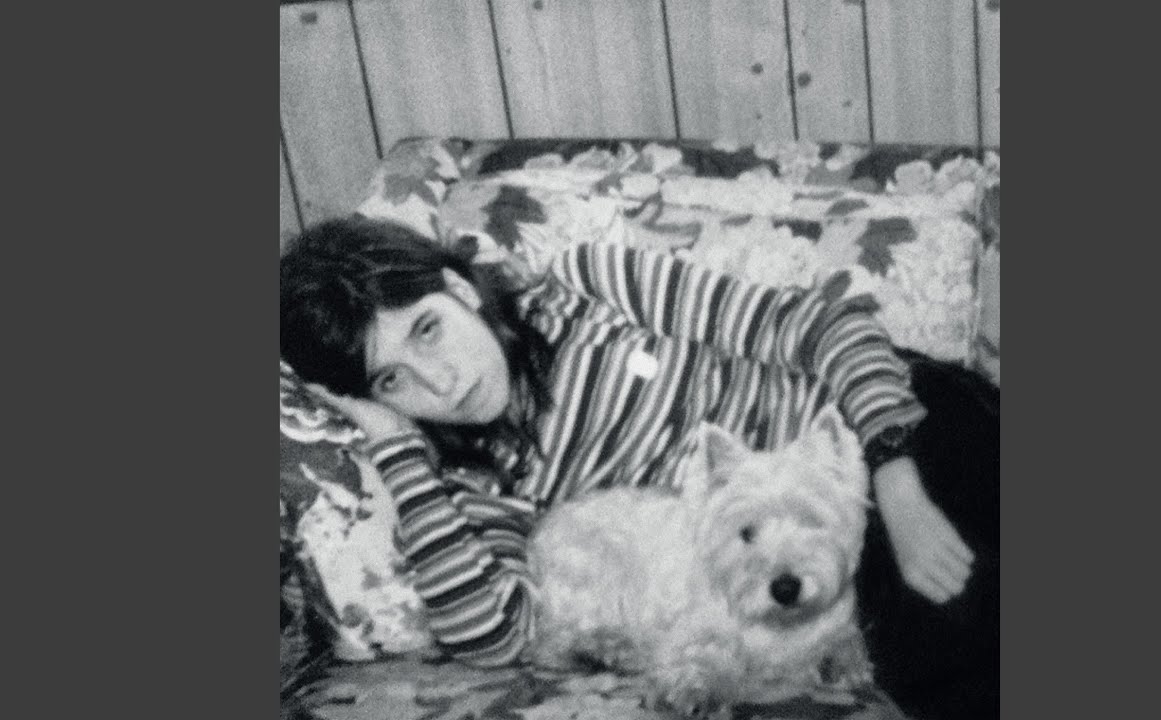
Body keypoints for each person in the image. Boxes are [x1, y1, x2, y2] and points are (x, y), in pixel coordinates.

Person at [280, 215, 998, 719]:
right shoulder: (480, 483)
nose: (439, 381)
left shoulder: (588, 283)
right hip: (818, 553)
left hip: (895, 423)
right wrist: (396, 444)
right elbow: (493, 636)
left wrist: (895, 478)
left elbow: (819, 326)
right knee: (947, 647)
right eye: (393, 380)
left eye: (428, 329)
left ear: (459, 289)